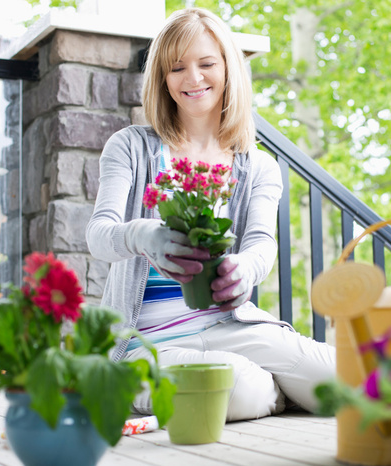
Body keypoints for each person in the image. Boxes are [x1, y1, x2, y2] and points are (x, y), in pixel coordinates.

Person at [86, 7, 335, 421]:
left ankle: (269, 388)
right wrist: (143, 235)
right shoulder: (130, 147)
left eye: (206, 64)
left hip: (229, 327)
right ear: (162, 79)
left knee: (343, 378)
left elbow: (261, 244)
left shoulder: (258, 166)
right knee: (241, 388)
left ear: (228, 69)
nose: (193, 78)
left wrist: (246, 270)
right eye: (177, 67)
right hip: (146, 341)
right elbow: (99, 235)